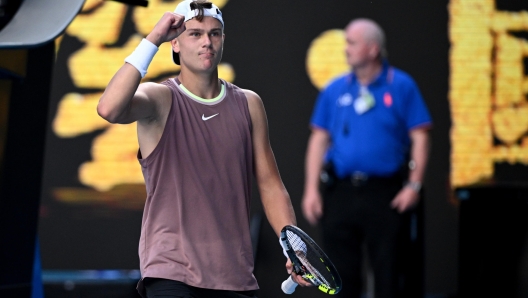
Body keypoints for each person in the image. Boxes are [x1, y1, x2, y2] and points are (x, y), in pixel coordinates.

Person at [97, 1, 310, 297]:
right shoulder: (159, 98)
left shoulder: (249, 104)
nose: (207, 42)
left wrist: (295, 248)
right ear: (175, 44)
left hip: (234, 274)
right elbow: (108, 108)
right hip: (171, 271)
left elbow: (270, 184)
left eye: (214, 34)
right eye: (195, 34)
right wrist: (152, 39)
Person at [301, 18, 432, 298]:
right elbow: (319, 139)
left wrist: (414, 185)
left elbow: (421, 135)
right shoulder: (335, 89)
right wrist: (312, 188)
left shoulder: (401, 85)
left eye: (351, 42)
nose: (345, 49)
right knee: (339, 274)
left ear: (373, 49)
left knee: (389, 273)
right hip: (341, 191)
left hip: (384, 193)